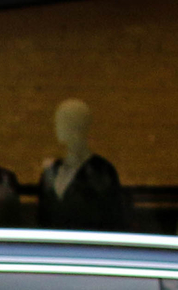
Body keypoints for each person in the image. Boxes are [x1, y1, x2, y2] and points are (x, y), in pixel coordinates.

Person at [35, 98, 129, 232]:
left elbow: (111, 220)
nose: (56, 125)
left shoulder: (101, 171)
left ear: (77, 125)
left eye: (63, 120)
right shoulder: (51, 171)